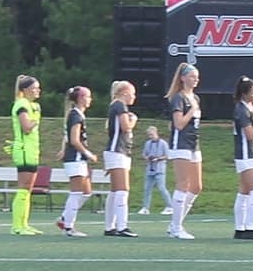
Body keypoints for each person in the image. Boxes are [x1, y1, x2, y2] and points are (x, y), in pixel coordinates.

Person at [165, 64, 204, 239]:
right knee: (183, 184)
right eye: (192, 76)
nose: (195, 80)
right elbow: (179, 123)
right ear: (183, 78)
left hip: (194, 144)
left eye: (197, 77)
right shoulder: (178, 98)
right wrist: (192, 112)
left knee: (196, 187)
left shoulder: (195, 97)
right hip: (180, 144)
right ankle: (176, 227)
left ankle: (175, 221)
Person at [55, 85, 99, 237]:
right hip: (75, 159)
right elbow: (74, 140)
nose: (90, 99)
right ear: (80, 98)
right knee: (76, 193)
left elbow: (68, 137)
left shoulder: (78, 114)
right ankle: (68, 227)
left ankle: (64, 218)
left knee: (86, 193)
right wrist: (89, 154)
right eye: (88, 96)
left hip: (78, 160)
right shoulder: (75, 115)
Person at [7, 75, 42, 236]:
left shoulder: (31, 105)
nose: (38, 91)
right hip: (23, 150)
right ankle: (17, 226)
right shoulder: (22, 105)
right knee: (23, 188)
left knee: (28, 189)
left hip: (31, 150)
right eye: (35, 88)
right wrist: (35, 119)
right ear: (26, 90)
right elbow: (26, 127)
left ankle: (24, 223)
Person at [102, 80, 138, 237]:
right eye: (132, 93)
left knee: (115, 190)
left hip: (117, 151)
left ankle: (110, 226)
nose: (134, 97)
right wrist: (133, 120)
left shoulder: (114, 106)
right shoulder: (120, 105)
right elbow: (126, 127)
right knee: (122, 190)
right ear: (124, 93)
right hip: (117, 151)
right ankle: (122, 226)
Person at [231, 76, 253, 240]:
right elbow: (250, 135)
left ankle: (240, 228)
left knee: (244, 193)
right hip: (246, 154)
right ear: (245, 93)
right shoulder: (242, 109)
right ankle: (249, 227)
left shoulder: (248, 107)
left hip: (250, 154)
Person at [139, 127, 172, 215]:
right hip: (150, 169)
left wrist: (158, 158)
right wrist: (147, 158)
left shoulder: (163, 143)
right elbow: (144, 154)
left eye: (152, 134)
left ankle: (170, 206)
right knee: (147, 189)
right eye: (149, 135)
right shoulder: (147, 143)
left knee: (161, 188)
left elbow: (167, 156)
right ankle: (145, 207)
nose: (150, 137)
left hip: (160, 169)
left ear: (156, 133)